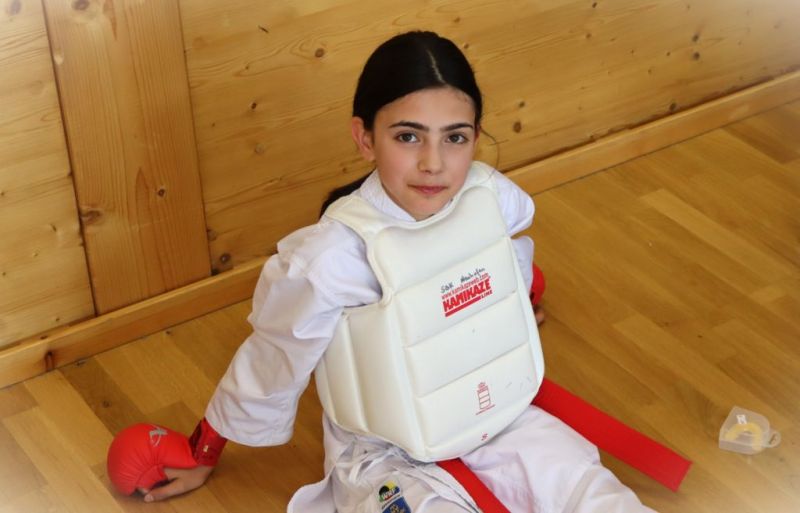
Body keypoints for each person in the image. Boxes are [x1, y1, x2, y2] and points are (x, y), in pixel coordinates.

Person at [126, 31, 656, 512]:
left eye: (455, 137)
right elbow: (274, 357)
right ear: (364, 138)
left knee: (598, 497)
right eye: (408, 137)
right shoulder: (330, 257)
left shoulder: (492, 198)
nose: (434, 163)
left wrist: (517, 303)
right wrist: (204, 449)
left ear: (476, 136)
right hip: (386, 454)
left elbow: (506, 259)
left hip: (500, 417)